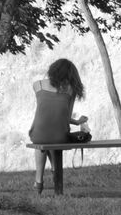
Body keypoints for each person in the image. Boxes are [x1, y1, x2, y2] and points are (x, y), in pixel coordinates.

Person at [29, 59, 88, 194]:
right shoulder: (70, 89)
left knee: (42, 141)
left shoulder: (37, 85)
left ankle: (38, 181)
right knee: (54, 136)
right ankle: (56, 170)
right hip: (59, 136)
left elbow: (47, 112)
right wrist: (78, 122)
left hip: (38, 134)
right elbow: (65, 118)